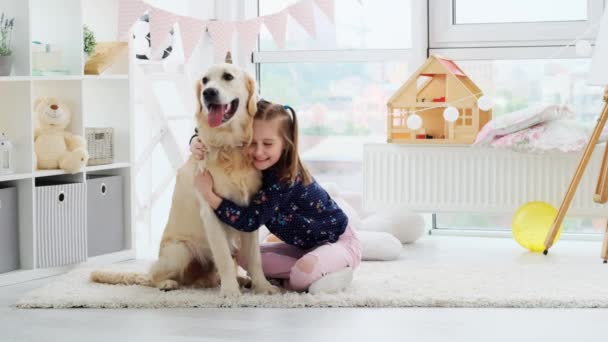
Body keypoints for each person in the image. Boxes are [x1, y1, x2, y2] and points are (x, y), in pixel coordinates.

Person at [190, 100, 361, 293]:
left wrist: (209, 195)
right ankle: (310, 268)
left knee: (301, 277)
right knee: (243, 257)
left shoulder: (284, 178)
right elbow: (220, 132)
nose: (259, 151)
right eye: (251, 143)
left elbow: (250, 221)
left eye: (268, 144)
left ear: (285, 145)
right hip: (301, 247)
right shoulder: (255, 170)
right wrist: (196, 140)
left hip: (338, 241)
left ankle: (333, 271)